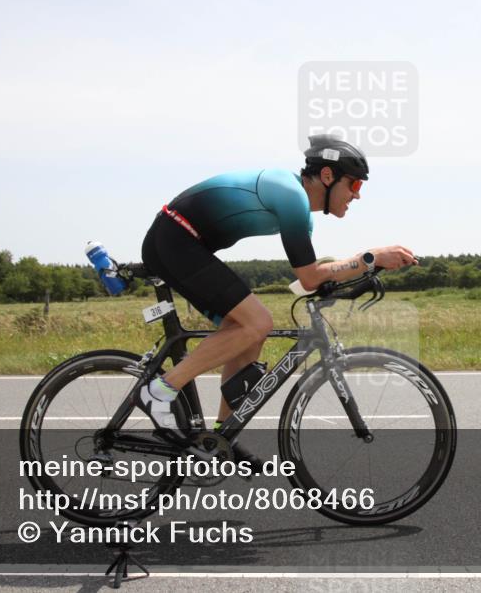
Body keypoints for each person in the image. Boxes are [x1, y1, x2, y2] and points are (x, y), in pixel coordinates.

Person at [136, 134, 418, 453]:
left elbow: (307, 282)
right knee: (257, 322)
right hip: (175, 239)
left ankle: (220, 437)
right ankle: (159, 391)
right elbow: (310, 277)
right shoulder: (290, 196)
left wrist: (358, 275)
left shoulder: (298, 209)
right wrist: (372, 257)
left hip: (182, 243)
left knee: (248, 332)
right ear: (327, 176)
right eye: (355, 185)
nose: (357, 195)